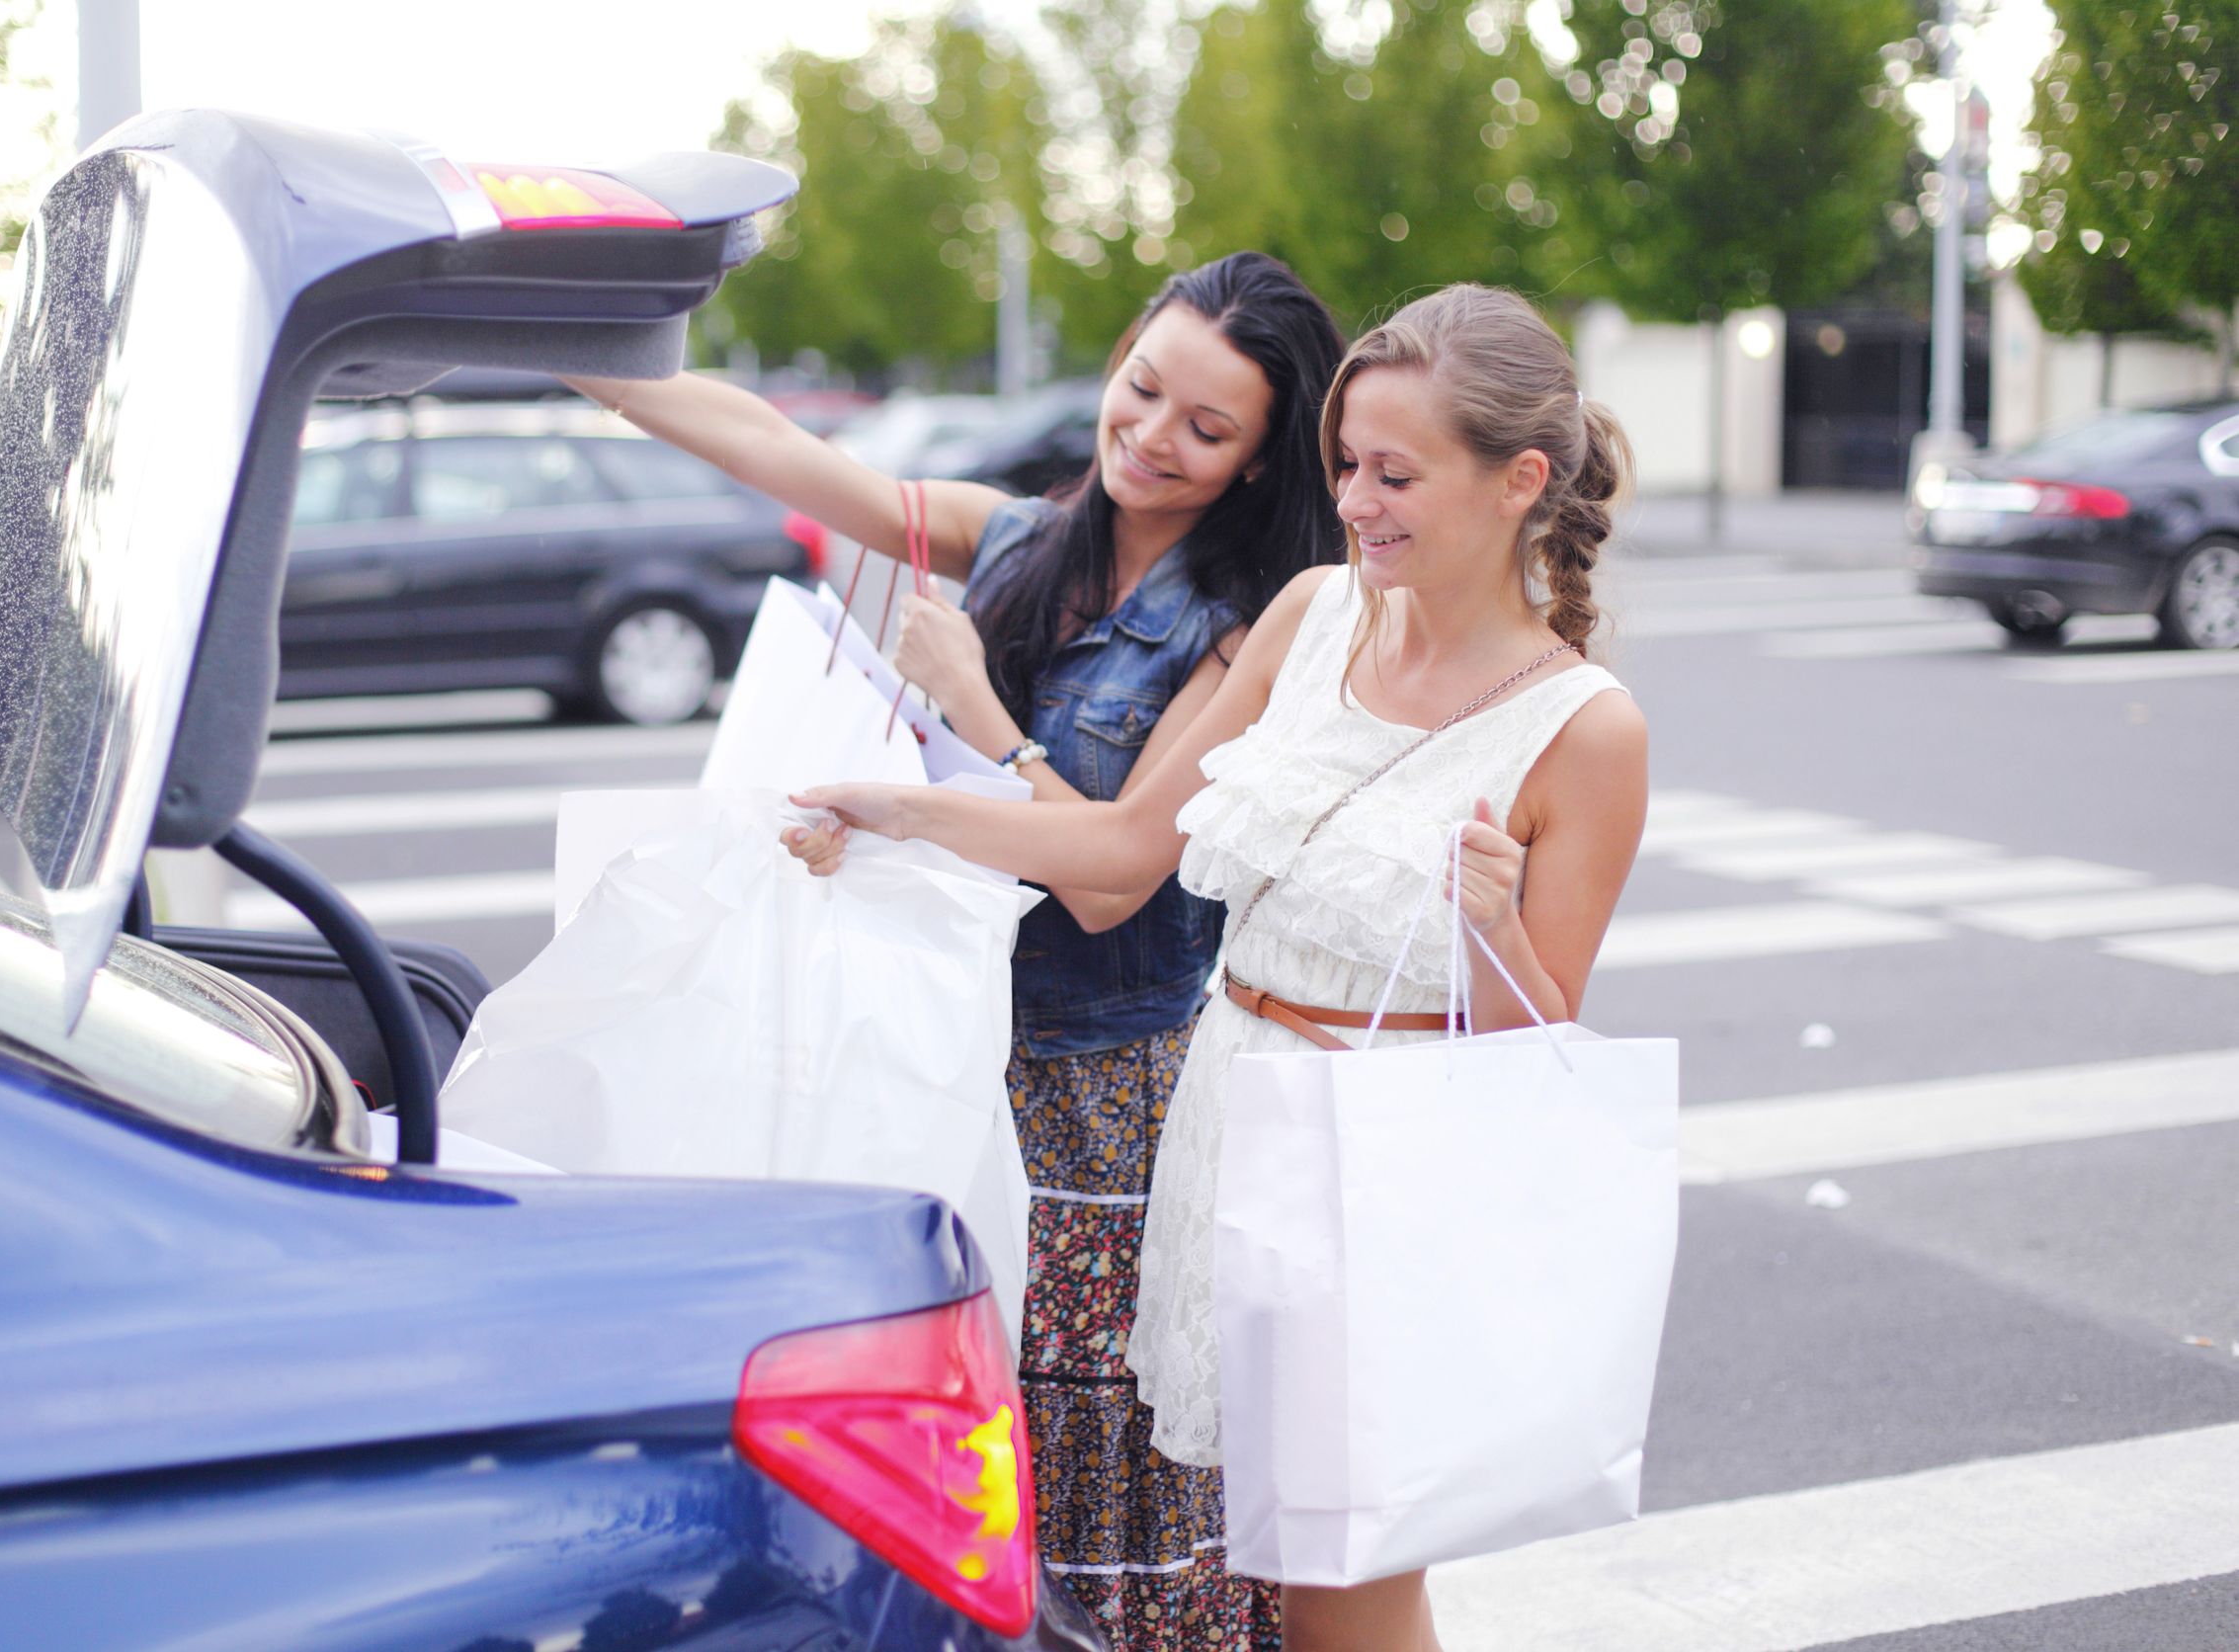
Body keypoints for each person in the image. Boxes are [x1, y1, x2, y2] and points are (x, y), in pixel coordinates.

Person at [784, 283, 1649, 1652]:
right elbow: (1124, 836)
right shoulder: (1310, 615)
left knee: (1346, 1578)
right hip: (1226, 1129)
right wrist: (889, 807)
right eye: (1348, 466)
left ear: (1519, 482)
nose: (1357, 502)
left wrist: (1487, 925)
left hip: (1382, 1170)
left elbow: (1537, 1056)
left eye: (1398, 475)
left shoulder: (1583, 730)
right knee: (1289, 1569)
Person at [563, 252, 1347, 1651]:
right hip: (955, 1055)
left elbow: (1114, 876)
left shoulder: (1241, 633)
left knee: (1093, 1488)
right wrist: (587, 358)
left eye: (1204, 430)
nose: (1151, 436)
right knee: (956, 1436)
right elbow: (785, 450)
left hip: (1108, 1116)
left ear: (1254, 464)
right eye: (1143, 385)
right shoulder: (1018, 544)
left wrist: (978, 725)